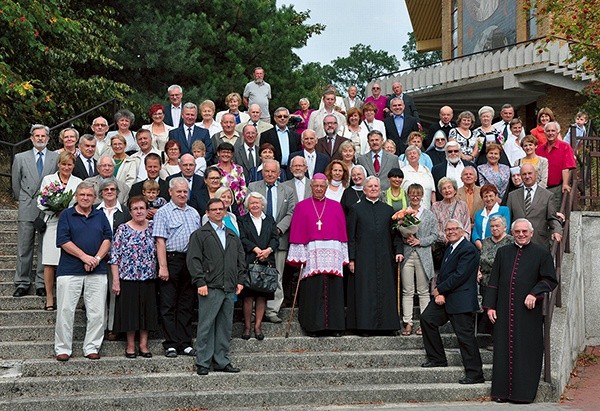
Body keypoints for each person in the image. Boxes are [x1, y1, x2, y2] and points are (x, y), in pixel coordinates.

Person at [483, 218, 558, 403]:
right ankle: (501, 393)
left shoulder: (541, 253)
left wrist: (534, 293)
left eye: (525, 231)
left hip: (527, 313)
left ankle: (523, 394)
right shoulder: (503, 252)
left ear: (531, 233)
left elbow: (550, 279)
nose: (521, 235)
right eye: (517, 232)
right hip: (504, 309)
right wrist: (490, 306)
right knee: (503, 349)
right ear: (512, 233)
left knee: (526, 350)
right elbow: (493, 281)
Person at [420, 219, 484, 386]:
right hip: (446, 297)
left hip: (461, 300)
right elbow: (444, 273)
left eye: (454, 229)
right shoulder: (450, 247)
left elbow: (460, 275)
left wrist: (440, 290)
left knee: (465, 337)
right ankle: (437, 358)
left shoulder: (468, 249)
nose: (451, 232)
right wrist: (441, 293)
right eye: (448, 230)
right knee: (427, 319)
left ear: (462, 231)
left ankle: (475, 374)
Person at [54, 182, 112, 361]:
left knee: (97, 312)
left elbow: (107, 238)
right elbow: (63, 240)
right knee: (65, 310)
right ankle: (63, 348)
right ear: (76, 197)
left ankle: (92, 346)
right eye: (82, 195)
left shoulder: (100, 215)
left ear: (95, 198)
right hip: (69, 270)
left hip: (97, 269)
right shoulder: (66, 215)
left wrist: (96, 259)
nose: (85, 198)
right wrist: (84, 257)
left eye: (89, 195)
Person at [187, 198, 245, 375]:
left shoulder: (232, 235)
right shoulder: (200, 234)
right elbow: (193, 260)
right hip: (210, 286)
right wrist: (200, 281)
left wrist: (240, 280)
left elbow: (240, 260)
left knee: (224, 326)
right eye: (214, 209)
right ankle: (203, 362)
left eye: (221, 209)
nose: (218, 212)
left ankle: (221, 360)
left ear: (225, 212)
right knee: (206, 324)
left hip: (229, 287)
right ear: (208, 212)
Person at [287, 174, 348, 336]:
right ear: (311, 187)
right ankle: (313, 326)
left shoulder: (336, 206)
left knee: (333, 289)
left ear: (326, 188)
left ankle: (335, 327)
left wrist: (344, 254)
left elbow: (342, 233)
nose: (319, 189)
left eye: (322, 186)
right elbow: (297, 232)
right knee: (313, 289)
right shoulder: (301, 206)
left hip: (332, 254)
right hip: (311, 254)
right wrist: (300, 255)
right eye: (316, 186)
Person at [346, 176, 402, 335]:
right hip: (363, 258)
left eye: (376, 186)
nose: (373, 189)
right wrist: (352, 258)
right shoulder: (355, 209)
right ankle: (365, 327)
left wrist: (398, 251)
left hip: (385, 256)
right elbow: (351, 236)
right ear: (364, 189)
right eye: (369, 186)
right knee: (366, 290)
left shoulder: (388, 210)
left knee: (385, 290)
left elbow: (395, 235)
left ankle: (388, 326)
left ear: (380, 189)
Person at [153, 177, 201, 358]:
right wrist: (163, 266)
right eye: (178, 191)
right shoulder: (163, 213)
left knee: (186, 303)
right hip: (171, 260)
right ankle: (171, 343)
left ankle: (185, 342)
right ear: (170, 192)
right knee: (168, 304)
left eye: (185, 191)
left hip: (190, 261)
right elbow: (160, 241)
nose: (182, 194)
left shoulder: (194, 213)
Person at [109, 196, 159, 358]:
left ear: (147, 210)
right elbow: (114, 256)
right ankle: (130, 345)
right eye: (135, 209)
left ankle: (144, 345)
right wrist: (116, 280)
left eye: (142, 208)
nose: (139, 211)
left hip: (148, 278)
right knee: (130, 313)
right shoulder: (123, 229)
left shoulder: (153, 227)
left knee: (146, 312)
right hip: (127, 278)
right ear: (130, 211)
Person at [12, 124, 58, 298]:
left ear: (47, 138)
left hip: (47, 208)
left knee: (43, 248)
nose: (40, 138)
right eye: (37, 136)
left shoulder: (55, 157)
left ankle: (41, 283)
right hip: (27, 205)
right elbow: (16, 185)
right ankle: (22, 282)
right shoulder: (20, 157)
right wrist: (24, 199)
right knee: (24, 246)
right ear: (31, 138)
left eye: (43, 136)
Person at [248, 159, 296, 323]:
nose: (269, 174)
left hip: (279, 239)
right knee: (254, 274)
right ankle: (254, 310)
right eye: (266, 171)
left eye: (272, 171)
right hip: (256, 240)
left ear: (279, 173)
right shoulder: (253, 187)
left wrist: (276, 230)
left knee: (277, 276)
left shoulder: (287, 191)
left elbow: (290, 213)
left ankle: (272, 310)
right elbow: (249, 210)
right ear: (262, 172)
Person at [37, 151, 82, 310]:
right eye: (63, 164)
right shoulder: (49, 180)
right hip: (52, 222)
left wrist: (68, 212)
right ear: (58, 164)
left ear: (73, 166)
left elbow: (82, 202)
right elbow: (41, 202)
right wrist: (54, 210)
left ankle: (66, 296)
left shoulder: (78, 182)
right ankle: (49, 297)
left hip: (72, 224)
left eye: (69, 164)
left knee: (69, 260)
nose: (66, 167)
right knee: (49, 262)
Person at [238, 192, 279, 340]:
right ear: (248, 205)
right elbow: (242, 238)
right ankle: (247, 328)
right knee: (248, 297)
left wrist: (268, 250)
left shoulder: (269, 220)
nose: (255, 205)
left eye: (258, 203)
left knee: (262, 296)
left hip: (267, 262)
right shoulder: (242, 220)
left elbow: (275, 239)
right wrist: (255, 249)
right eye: (252, 203)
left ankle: (258, 327)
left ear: (262, 205)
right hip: (250, 260)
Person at [400, 183, 438, 336]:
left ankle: (424, 323)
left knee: (423, 291)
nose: (415, 197)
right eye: (412, 194)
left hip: (423, 254)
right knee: (407, 290)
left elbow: (435, 235)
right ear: (408, 195)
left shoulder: (429, 215)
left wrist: (420, 241)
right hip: (408, 254)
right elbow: (398, 233)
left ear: (422, 196)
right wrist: (405, 239)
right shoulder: (403, 214)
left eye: (418, 194)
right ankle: (407, 322)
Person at [96, 179, 131, 340]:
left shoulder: (125, 211)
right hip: (98, 258)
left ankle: (112, 327)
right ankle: (99, 327)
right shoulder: (95, 211)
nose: (109, 192)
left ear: (117, 192)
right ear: (101, 193)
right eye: (106, 189)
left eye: (112, 189)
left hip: (120, 260)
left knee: (115, 292)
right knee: (99, 293)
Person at [506, 164, 562, 247]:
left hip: (539, 241)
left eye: (530, 173)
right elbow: (508, 219)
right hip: (517, 242)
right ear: (521, 176)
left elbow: (552, 218)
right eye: (524, 174)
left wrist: (557, 230)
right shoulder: (512, 196)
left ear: (536, 174)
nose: (527, 176)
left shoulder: (547, 195)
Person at [477, 214, 513, 337]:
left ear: (505, 227)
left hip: (502, 282)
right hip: (486, 281)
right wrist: (478, 271)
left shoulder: (511, 241)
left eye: (497, 226)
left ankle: (498, 338)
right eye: (492, 226)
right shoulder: (486, 241)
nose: (494, 228)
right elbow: (481, 259)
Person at [535, 121, 576, 211]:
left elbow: (567, 167)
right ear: (544, 133)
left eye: (553, 131)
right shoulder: (539, 150)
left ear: (558, 132)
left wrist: (565, 184)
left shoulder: (565, 147)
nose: (550, 133)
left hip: (556, 188)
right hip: (540, 188)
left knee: (555, 213)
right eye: (548, 131)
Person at [471, 184, 511, 250]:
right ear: (482, 198)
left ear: (496, 196)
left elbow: (505, 229)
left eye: (491, 196)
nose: (488, 199)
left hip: (499, 247)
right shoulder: (478, 213)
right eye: (485, 196)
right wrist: (480, 246)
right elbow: (475, 232)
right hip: (480, 248)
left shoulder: (504, 210)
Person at [431, 177, 471, 242]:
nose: (447, 190)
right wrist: (446, 239)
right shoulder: (435, 207)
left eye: (449, 187)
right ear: (441, 192)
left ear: (455, 190)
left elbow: (467, 227)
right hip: (443, 245)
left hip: (461, 244)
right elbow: (434, 228)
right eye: (444, 188)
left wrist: (460, 241)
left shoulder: (462, 205)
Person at [215, 142, 247, 211]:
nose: (226, 154)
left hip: (237, 206)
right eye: (223, 152)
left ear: (232, 154)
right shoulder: (214, 169)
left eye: (228, 152)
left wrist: (237, 201)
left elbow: (243, 188)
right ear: (218, 153)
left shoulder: (238, 169)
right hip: (218, 206)